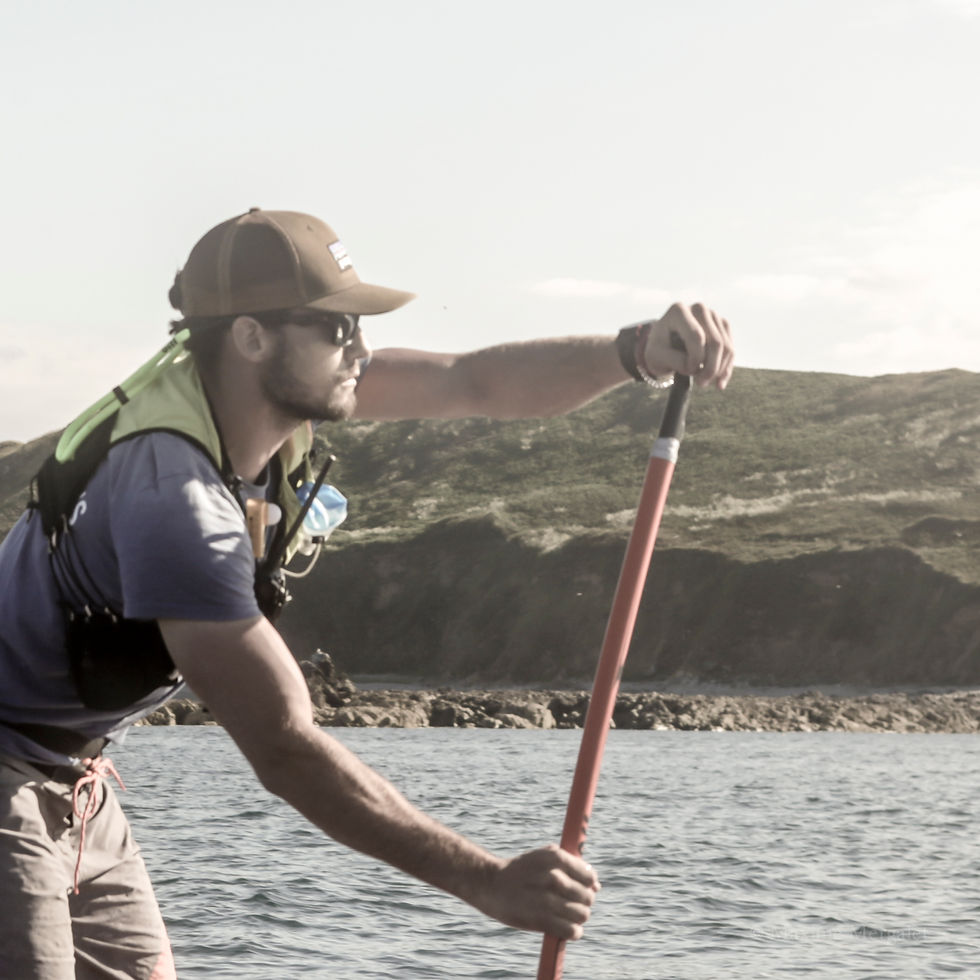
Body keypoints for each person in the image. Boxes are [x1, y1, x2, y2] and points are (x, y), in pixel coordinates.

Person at [0, 208, 734, 979]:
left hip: (73, 780)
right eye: (337, 327)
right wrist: (488, 882)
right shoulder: (174, 502)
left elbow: (470, 380)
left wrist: (638, 351)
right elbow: (284, 746)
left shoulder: (257, 398)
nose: (359, 348)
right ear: (251, 336)